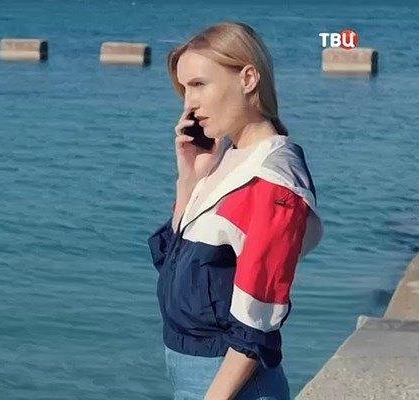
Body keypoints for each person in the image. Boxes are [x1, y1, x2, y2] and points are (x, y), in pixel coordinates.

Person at [147, 22, 324, 400]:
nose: (189, 104)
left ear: (247, 78)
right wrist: (190, 178)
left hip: (233, 387)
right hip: (191, 374)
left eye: (199, 84)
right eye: (184, 89)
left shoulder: (272, 183)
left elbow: (256, 327)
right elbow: (174, 264)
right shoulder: (225, 156)